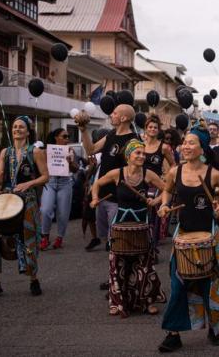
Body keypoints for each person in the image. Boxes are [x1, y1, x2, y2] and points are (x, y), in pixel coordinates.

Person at [157, 123, 219, 352]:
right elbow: (167, 190)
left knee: (212, 286)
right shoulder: (175, 171)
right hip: (183, 237)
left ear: (202, 148)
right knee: (177, 286)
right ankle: (173, 334)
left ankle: (215, 329)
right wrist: (164, 205)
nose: (186, 146)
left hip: (209, 237)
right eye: (184, 142)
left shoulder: (213, 174)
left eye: (191, 143)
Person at [92, 139, 167, 317]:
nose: (142, 156)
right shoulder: (117, 173)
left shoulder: (148, 174)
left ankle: (147, 301)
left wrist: (156, 201)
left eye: (143, 153)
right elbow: (97, 183)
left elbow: (166, 189)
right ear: (128, 156)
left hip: (142, 223)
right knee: (118, 264)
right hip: (121, 223)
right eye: (137, 153)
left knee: (144, 264)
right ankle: (117, 301)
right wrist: (95, 198)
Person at [0, 116, 49, 299]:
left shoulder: (35, 152)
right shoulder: (5, 152)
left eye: (21, 127)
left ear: (28, 132)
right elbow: (1, 176)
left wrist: (29, 184)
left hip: (28, 200)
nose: (17, 129)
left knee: (29, 239)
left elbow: (45, 177)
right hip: (8, 199)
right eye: (14, 127)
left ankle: (33, 279)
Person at [76, 104, 138, 250]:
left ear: (124, 118)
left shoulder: (133, 140)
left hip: (117, 196)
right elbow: (91, 150)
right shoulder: (110, 134)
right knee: (106, 236)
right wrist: (84, 130)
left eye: (115, 113)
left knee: (116, 238)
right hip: (102, 192)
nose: (111, 115)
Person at [40, 128, 78, 250]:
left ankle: (59, 237)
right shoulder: (46, 151)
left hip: (65, 183)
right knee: (45, 209)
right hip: (50, 182)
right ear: (56, 137)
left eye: (68, 137)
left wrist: (70, 162)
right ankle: (45, 236)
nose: (67, 139)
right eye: (64, 136)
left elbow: (76, 169)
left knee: (63, 213)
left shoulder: (70, 150)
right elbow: (40, 168)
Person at [143, 115, 176, 248]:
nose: (152, 129)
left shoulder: (164, 147)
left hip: (156, 186)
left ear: (158, 130)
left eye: (155, 127)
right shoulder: (139, 145)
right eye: (150, 127)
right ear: (145, 129)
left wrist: (168, 177)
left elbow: (174, 164)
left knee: (154, 217)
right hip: (141, 183)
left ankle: (153, 247)